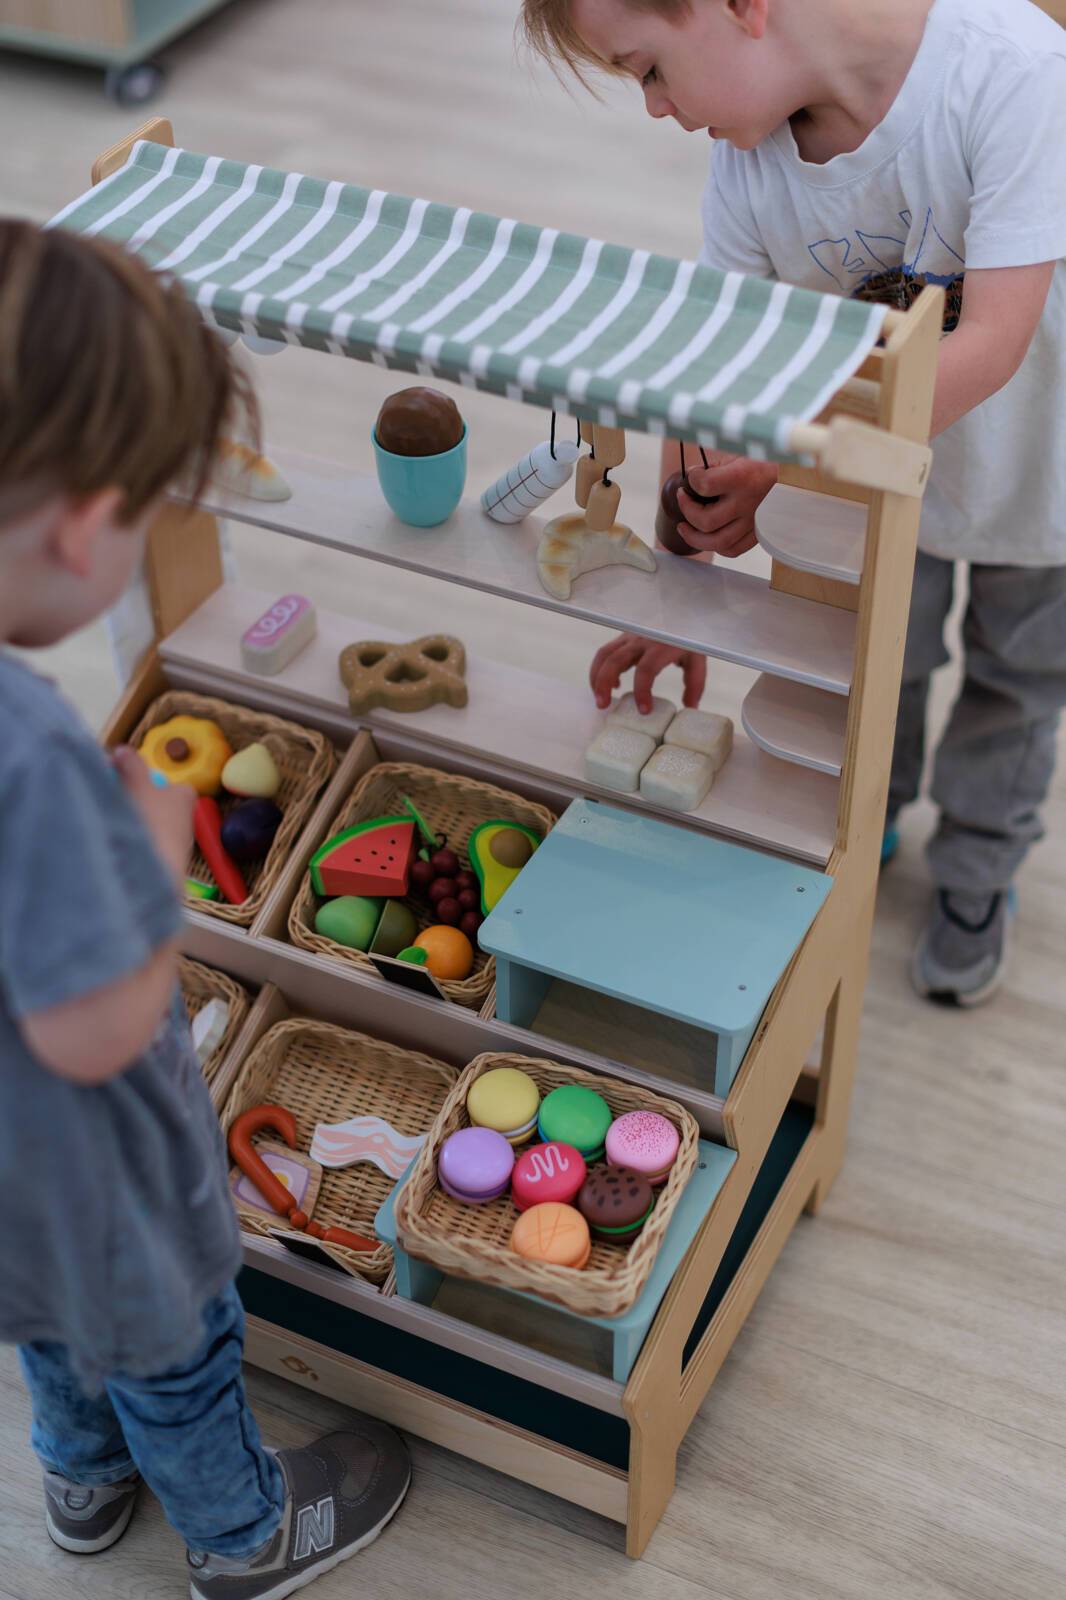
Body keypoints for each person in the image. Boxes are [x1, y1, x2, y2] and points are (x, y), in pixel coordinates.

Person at [0, 220, 410, 1599]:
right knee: (170, 1348)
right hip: (89, 1166)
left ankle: (80, 1471)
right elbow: (97, 1028)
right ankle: (243, 1537)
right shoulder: (35, 761)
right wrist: (153, 849)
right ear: (84, 522)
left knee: (49, 1331)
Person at [523, 0, 1066, 1005]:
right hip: (886, 489)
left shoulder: (1016, 70)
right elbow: (714, 371)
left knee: (1016, 685)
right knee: (879, 665)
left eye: (649, 70)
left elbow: (991, 343)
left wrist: (784, 460)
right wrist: (676, 582)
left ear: (740, 8)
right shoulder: (748, 164)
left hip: (1042, 475)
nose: (652, 108)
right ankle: (878, 814)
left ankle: (977, 871)